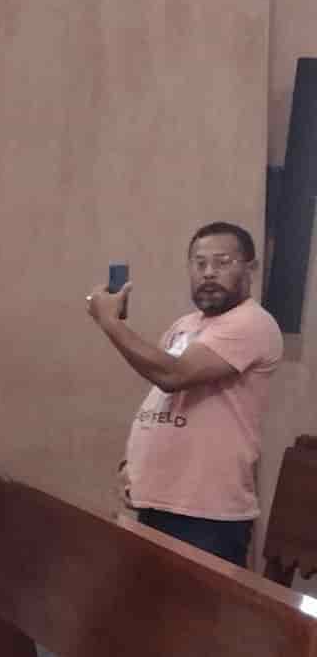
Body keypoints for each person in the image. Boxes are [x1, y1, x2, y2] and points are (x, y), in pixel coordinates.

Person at [88, 221, 283, 569]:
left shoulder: (253, 323)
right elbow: (162, 400)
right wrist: (133, 464)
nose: (209, 272)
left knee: (196, 622)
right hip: (155, 503)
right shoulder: (185, 325)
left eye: (223, 262)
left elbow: (172, 376)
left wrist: (111, 323)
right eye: (199, 262)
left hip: (206, 515)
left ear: (250, 269)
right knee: (148, 615)